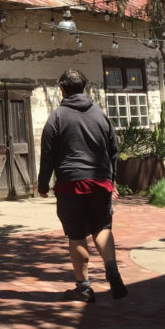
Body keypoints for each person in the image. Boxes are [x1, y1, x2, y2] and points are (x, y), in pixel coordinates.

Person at [38, 68, 127, 303]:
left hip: (70, 184)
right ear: (84, 88)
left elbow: (47, 154)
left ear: (62, 90)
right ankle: (112, 270)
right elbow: (113, 151)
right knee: (102, 228)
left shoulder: (56, 117)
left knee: (77, 235)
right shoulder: (101, 115)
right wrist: (112, 181)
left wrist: (43, 184)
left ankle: (84, 287)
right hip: (100, 182)